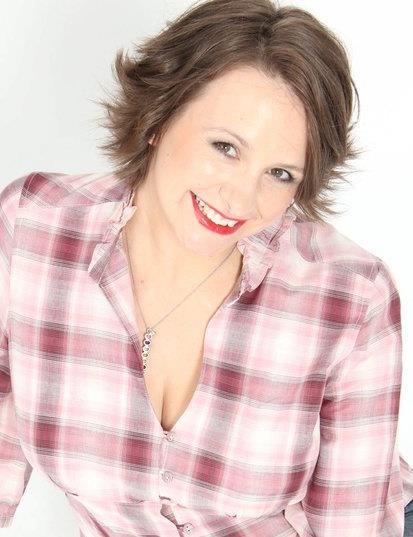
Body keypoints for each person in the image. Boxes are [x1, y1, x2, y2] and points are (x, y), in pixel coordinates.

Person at [1, 0, 413, 535]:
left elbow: (350, 525)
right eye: (225, 147)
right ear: (159, 118)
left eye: (281, 173)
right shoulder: (33, 227)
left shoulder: (350, 296)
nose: (240, 198)